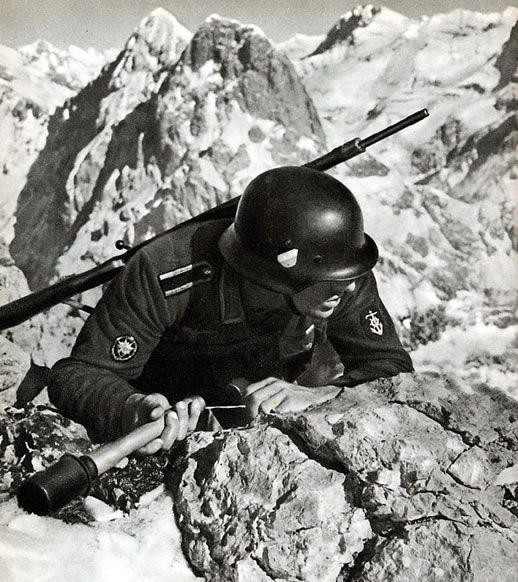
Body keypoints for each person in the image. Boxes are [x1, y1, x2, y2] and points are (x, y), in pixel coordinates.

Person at [48, 166, 413, 454]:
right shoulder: (165, 272)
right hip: (164, 424)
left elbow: (391, 369)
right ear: (277, 273)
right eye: (331, 279)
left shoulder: (339, 272)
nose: (348, 287)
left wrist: (323, 396)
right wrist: (130, 407)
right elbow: (77, 374)